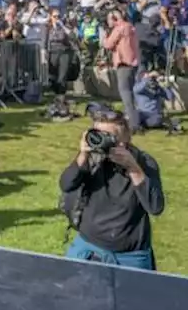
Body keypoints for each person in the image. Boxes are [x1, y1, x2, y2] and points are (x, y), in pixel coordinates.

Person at [59, 109, 164, 269]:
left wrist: (133, 169)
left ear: (127, 137)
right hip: (88, 246)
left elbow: (155, 207)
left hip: (129, 255)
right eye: (99, 135)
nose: (103, 142)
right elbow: (66, 185)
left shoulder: (144, 162)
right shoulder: (93, 159)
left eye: (110, 138)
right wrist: (82, 155)